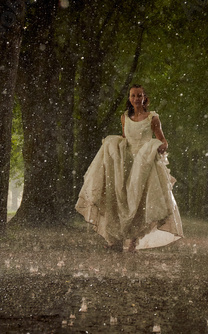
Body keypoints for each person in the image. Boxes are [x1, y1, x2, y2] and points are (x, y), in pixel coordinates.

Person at [75, 84, 183, 252]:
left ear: (144, 98)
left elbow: (163, 141)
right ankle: (115, 240)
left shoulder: (152, 118)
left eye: (139, 95)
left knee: (137, 202)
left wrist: (159, 147)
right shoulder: (124, 117)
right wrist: (114, 145)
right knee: (119, 198)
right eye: (133, 96)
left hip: (144, 163)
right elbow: (126, 138)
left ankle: (132, 241)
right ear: (129, 98)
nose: (136, 99)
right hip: (125, 163)